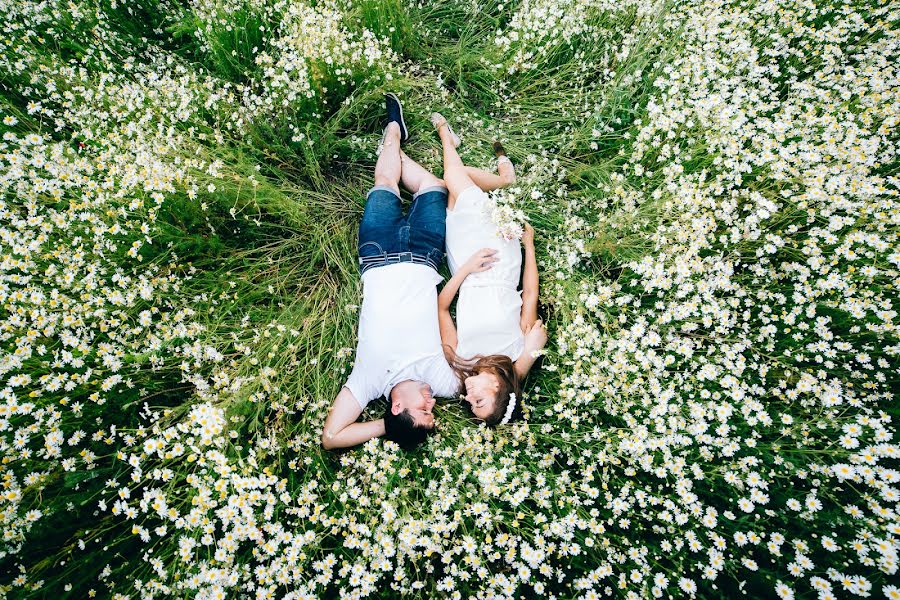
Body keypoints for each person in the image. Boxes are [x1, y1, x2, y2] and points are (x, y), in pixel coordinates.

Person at [321, 94, 459, 451]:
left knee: (385, 181)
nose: (432, 403)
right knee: (435, 187)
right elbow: (485, 385)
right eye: (434, 411)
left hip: (377, 253)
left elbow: (332, 437)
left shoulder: (369, 381)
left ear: (397, 407)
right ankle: (393, 146)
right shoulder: (439, 380)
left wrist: (387, 426)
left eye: (424, 411)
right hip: (425, 253)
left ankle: (393, 133)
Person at [431, 112, 548, 426]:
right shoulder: (519, 348)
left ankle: (503, 181)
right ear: (498, 387)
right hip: (500, 260)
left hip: (465, 265)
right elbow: (531, 294)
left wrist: (465, 270)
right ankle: (445, 133)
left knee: (450, 187)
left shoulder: (460, 360)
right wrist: (530, 246)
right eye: (478, 401)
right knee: (454, 178)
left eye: (471, 404)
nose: (468, 397)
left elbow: (442, 309)